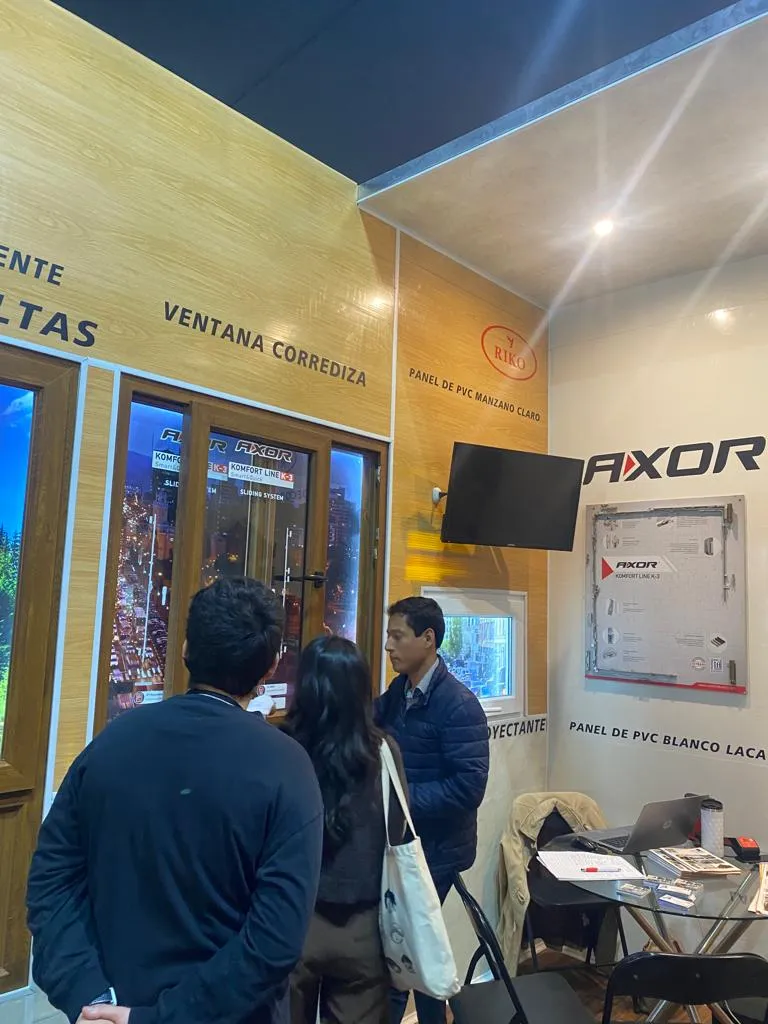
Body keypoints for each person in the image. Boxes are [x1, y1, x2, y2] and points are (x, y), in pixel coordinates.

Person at [27, 577, 323, 1024]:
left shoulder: (111, 744)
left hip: (108, 1007)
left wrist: (90, 997)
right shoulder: (288, 767)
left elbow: (51, 881)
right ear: (270, 667)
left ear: (185, 649)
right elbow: (275, 941)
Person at [375, 596, 489, 1024]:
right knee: (416, 956)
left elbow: (467, 789)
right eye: (388, 635)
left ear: (427, 639)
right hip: (405, 846)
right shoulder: (398, 692)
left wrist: (400, 801)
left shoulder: (459, 705)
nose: (389, 645)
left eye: (397, 636)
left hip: (436, 852)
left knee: (399, 957)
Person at [283, 635, 407, 1024]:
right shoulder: (383, 752)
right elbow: (398, 831)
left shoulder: (283, 749)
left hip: (291, 920)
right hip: (363, 926)